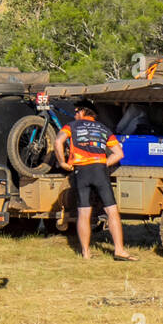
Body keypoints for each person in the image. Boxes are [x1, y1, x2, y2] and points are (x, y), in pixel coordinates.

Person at [54, 105, 131, 261]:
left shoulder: (72, 126)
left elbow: (58, 141)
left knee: (84, 213)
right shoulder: (103, 128)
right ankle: (119, 250)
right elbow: (119, 153)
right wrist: (103, 164)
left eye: (76, 112)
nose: (75, 115)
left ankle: (86, 252)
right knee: (112, 211)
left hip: (81, 171)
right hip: (100, 171)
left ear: (83, 111)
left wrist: (62, 162)